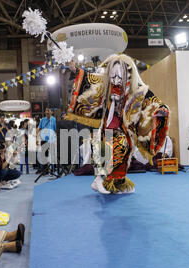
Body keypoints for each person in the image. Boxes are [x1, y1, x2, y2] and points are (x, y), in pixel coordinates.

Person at [67, 55, 170, 194]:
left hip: (123, 128)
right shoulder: (106, 85)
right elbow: (89, 80)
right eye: (113, 77)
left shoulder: (136, 89)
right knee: (117, 146)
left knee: (125, 151)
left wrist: (161, 109)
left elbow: (151, 101)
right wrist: (75, 69)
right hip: (108, 127)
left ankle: (117, 183)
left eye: (119, 78)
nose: (116, 81)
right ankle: (99, 179)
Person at [36, 108, 57, 174]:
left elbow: (56, 130)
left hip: (52, 139)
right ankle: (45, 170)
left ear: (52, 112)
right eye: (46, 110)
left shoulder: (54, 119)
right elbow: (39, 129)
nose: (47, 112)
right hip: (43, 139)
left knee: (52, 154)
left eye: (48, 110)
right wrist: (37, 138)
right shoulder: (42, 120)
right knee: (44, 154)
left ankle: (52, 168)